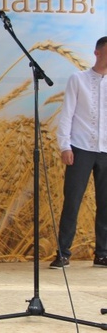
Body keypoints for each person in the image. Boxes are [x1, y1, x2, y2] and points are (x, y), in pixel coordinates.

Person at [51, 36, 107, 269]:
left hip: (106, 150)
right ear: (97, 52)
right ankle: (63, 253)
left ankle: (102, 254)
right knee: (72, 202)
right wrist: (65, 145)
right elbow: (67, 113)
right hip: (80, 148)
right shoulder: (78, 79)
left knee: (105, 204)